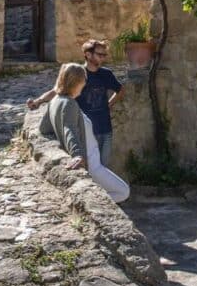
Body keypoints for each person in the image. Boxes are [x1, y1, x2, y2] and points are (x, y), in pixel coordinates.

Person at [38, 62, 130, 203]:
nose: (85, 82)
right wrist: (77, 155)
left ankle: (92, 202)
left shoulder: (56, 100)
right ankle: (90, 203)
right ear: (77, 82)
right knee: (123, 191)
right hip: (92, 165)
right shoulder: (69, 103)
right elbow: (70, 130)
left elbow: (44, 128)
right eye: (84, 79)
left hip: (93, 161)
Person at [27, 39, 123, 167]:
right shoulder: (77, 74)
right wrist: (38, 101)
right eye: (100, 55)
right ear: (88, 55)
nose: (103, 58)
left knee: (103, 167)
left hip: (105, 129)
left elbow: (120, 90)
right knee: (88, 169)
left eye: (105, 55)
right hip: (85, 132)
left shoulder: (106, 74)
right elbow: (57, 91)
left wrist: (109, 105)